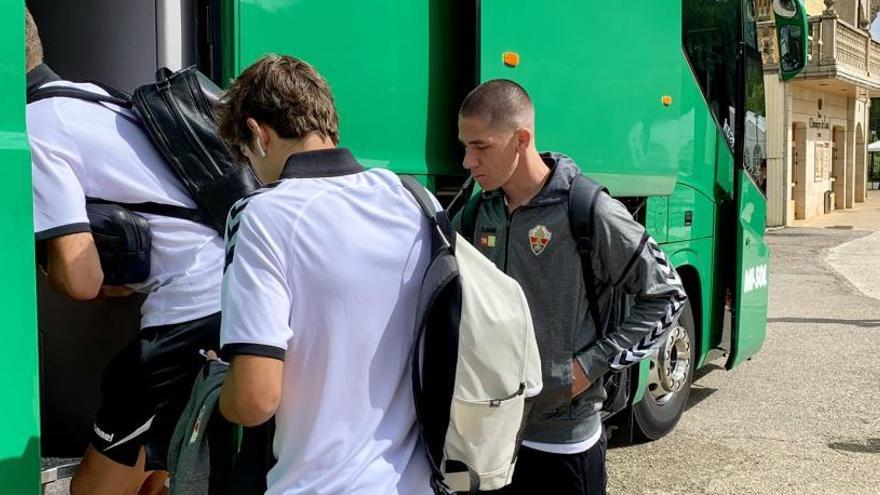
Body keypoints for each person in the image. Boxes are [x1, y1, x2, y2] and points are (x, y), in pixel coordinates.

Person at [454, 79, 687, 494]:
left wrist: (586, 368)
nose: (468, 161)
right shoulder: (478, 214)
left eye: (481, 146)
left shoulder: (587, 210)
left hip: (564, 447)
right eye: (465, 146)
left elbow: (668, 295)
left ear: (521, 139)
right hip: (492, 441)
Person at [26, 9, 224, 494]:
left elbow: (81, 278)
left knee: (95, 488)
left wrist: (42, 262)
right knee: (157, 478)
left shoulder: (33, 126)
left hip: (191, 306)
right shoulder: (85, 96)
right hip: (228, 283)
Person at [215, 54, 431, 494]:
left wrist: (220, 393)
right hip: (416, 482)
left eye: (244, 155)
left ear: (258, 135)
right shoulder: (414, 199)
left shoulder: (262, 215)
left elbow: (255, 400)